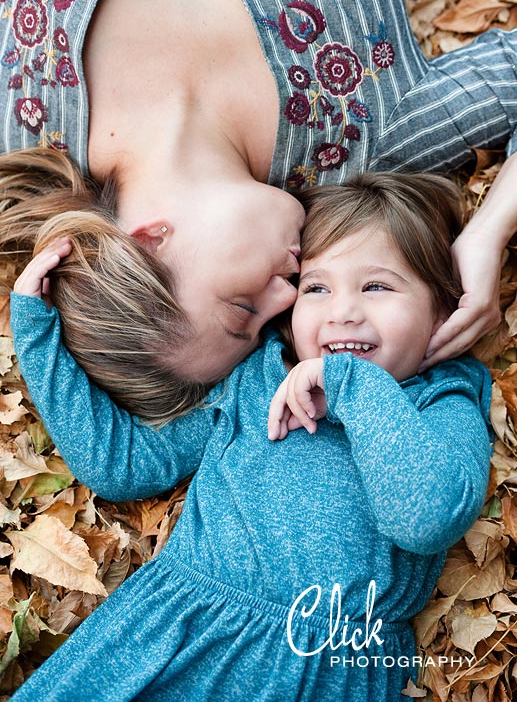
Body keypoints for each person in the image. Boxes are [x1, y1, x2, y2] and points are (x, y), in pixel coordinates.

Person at [8, 173, 492, 701]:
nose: (343, 310)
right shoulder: (258, 383)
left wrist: (352, 385)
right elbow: (121, 466)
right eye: (316, 288)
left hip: (329, 661)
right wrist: (37, 333)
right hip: (185, 629)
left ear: (445, 310)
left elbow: (425, 519)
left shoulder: (442, 401)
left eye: (376, 286)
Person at [1, 0, 517, 376]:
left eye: (242, 308)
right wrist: (491, 229)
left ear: (150, 241)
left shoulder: (23, 114)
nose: (287, 297)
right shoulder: (367, 143)